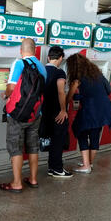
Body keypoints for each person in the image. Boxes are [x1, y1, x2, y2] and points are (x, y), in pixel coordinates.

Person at [0, 38, 47, 193]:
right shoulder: (42, 67)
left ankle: (17, 183)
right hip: (35, 114)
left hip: (18, 114)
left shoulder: (19, 64)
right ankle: (33, 179)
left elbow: (12, 88)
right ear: (35, 50)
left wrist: (5, 94)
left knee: (16, 147)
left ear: (21, 50)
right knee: (33, 146)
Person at [66, 53, 111, 174]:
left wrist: (64, 103)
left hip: (91, 109)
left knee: (80, 131)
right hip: (104, 108)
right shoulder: (97, 74)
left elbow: (69, 97)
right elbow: (108, 90)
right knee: (95, 135)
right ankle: (89, 163)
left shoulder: (77, 79)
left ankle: (86, 166)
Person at [40, 46, 73, 178]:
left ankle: (51, 168)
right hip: (56, 112)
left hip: (44, 112)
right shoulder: (60, 73)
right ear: (60, 58)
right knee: (58, 141)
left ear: (48, 57)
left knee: (51, 140)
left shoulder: (41, 70)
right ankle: (58, 169)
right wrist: (63, 110)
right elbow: (61, 91)